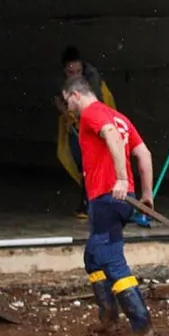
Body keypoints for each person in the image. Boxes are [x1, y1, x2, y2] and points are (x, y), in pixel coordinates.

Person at [61, 74, 159, 336]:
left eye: (67, 101)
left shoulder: (92, 113)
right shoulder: (119, 117)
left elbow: (111, 135)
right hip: (120, 199)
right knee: (93, 257)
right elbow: (144, 154)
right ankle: (108, 318)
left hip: (107, 197)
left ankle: (143, 329)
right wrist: (146, 194)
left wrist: (121, 179)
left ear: (76, 95)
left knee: (112, 260)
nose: (68, 108)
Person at [54, 46, 115, 220]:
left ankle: (90, 201)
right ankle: (88, 198)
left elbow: (98, 106)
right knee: (79, 160)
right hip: (74, 120)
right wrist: (67, 114)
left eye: (78, 71)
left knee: (91, 160)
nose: (75, 76)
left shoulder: (92, 78)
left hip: (95, 120)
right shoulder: (60, 81)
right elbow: (58, 99)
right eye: (70, 72)